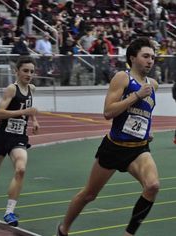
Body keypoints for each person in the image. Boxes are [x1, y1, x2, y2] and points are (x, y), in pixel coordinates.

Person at [57, 37, 159, 236]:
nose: (150, 61)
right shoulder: (122, 78)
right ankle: (63, 229)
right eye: (146, 56)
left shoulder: (152, 84)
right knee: (89, 194)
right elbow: (108, 112)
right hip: (114, 147)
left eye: (153, 57)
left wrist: (148, 130)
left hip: (138, 149)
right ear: (133, 57)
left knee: (153, 186)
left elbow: (144, 114)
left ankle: (129, 234)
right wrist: (136, 95)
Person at [0, 56, 40, 227]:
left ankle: (9, 212)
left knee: (21, 169)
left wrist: (33, 119)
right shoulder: (11, 89)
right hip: (2, 136)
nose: (29, 74)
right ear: (16, 71)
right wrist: (25, 111)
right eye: (25, 71)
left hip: (19, 138)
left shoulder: (32, 88)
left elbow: (29, 107)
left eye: (31, 71)